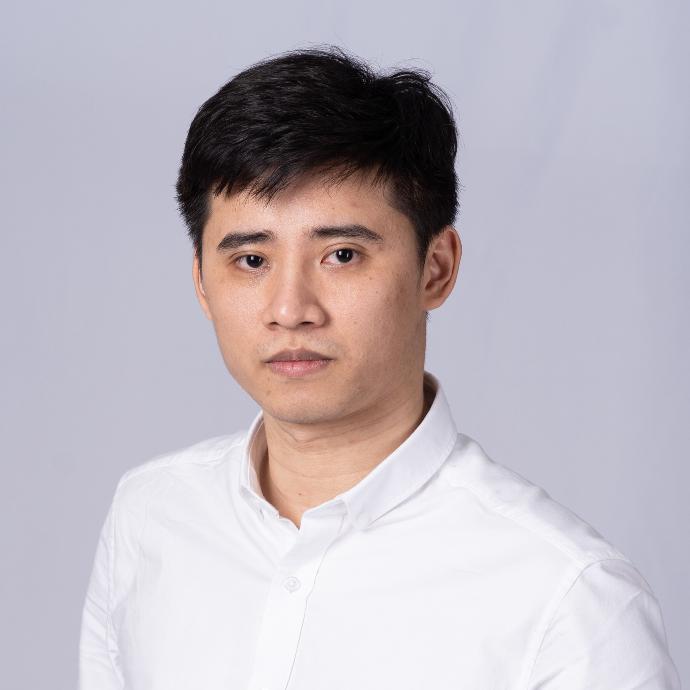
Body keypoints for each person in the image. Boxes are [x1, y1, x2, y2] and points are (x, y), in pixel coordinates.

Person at [78, 46, 681, 689]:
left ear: (436, 268)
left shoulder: (569, 601)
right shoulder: (151, 516)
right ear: (202, 281)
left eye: (341, 254)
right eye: (251, 260)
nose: (290, 309)